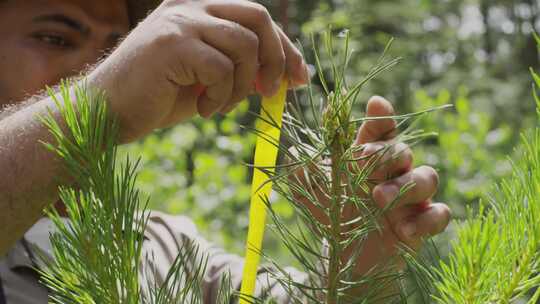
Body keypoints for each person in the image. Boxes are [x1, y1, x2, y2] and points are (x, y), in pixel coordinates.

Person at [0, 0, 451, 303]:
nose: (101, 65)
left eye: (117, 48)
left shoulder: (161, 248)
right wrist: (98, 103)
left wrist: (358, 257)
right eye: (56, 38)